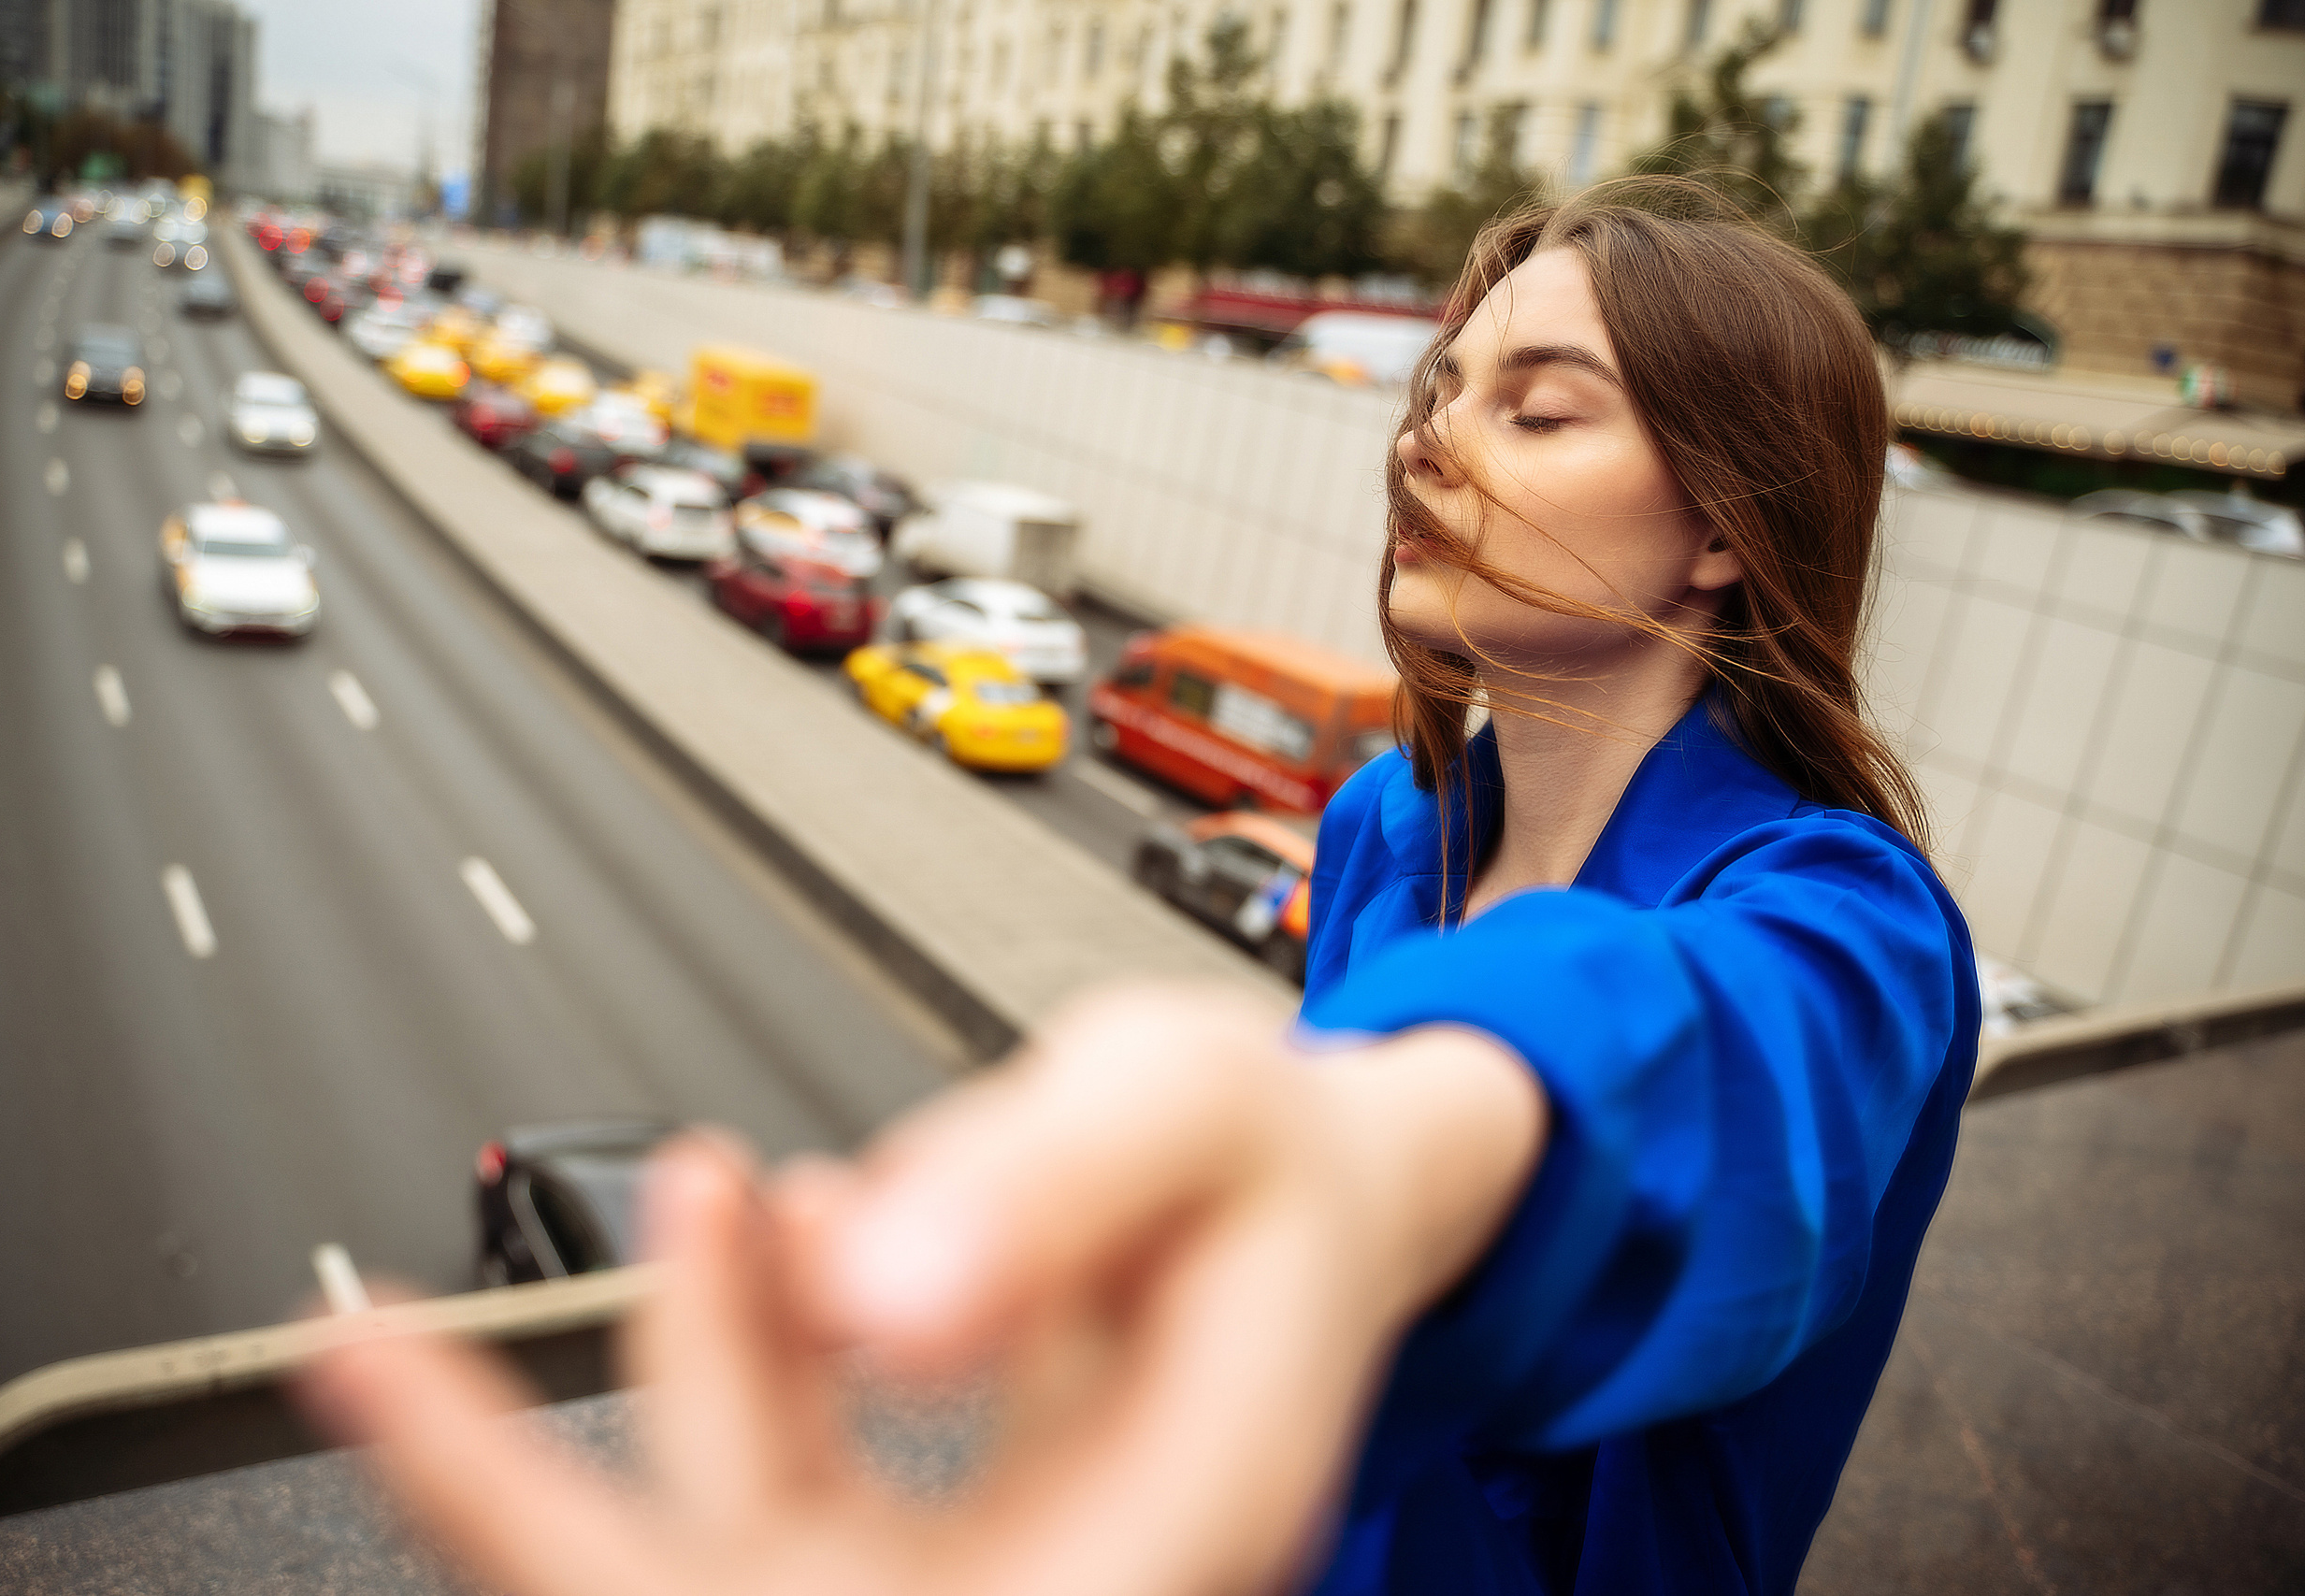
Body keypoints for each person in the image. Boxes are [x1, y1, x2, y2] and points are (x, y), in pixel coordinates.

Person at [300, 180, 1976, 1596]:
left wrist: (1370, 1145)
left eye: (1535, 410)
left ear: (1726, 532)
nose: (1432, 444)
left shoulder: (1853, 924)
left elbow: (1715, 1065)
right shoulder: (1392, 827)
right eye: (1439, 394)